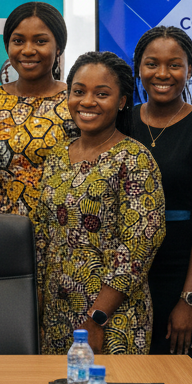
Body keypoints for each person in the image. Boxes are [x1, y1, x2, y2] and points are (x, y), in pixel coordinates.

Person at [35, 51, 165, 356]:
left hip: (112, 319)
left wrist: (97, 317)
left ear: (121, 101)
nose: (87, 101)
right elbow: (42, 237)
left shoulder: (135, 158)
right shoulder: (57, 156)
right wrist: (36, 311)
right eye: (79, 91)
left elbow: (139, 245)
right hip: (56, 315)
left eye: (102, 94)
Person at [129, 26, 192, 368]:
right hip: (128, 275)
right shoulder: (123, 121)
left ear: (189, 70)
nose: (162, 74)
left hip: (182, 274)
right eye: (152, 63)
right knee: (128, 381)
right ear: (139, 68)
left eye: (174, 65)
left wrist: (190, 298)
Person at [0, 1, 72, 219]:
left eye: (40, 41)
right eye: (18, 41)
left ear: (59, 47)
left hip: (63, 231)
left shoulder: (75, 102)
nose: (27, 50)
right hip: (1, 231)